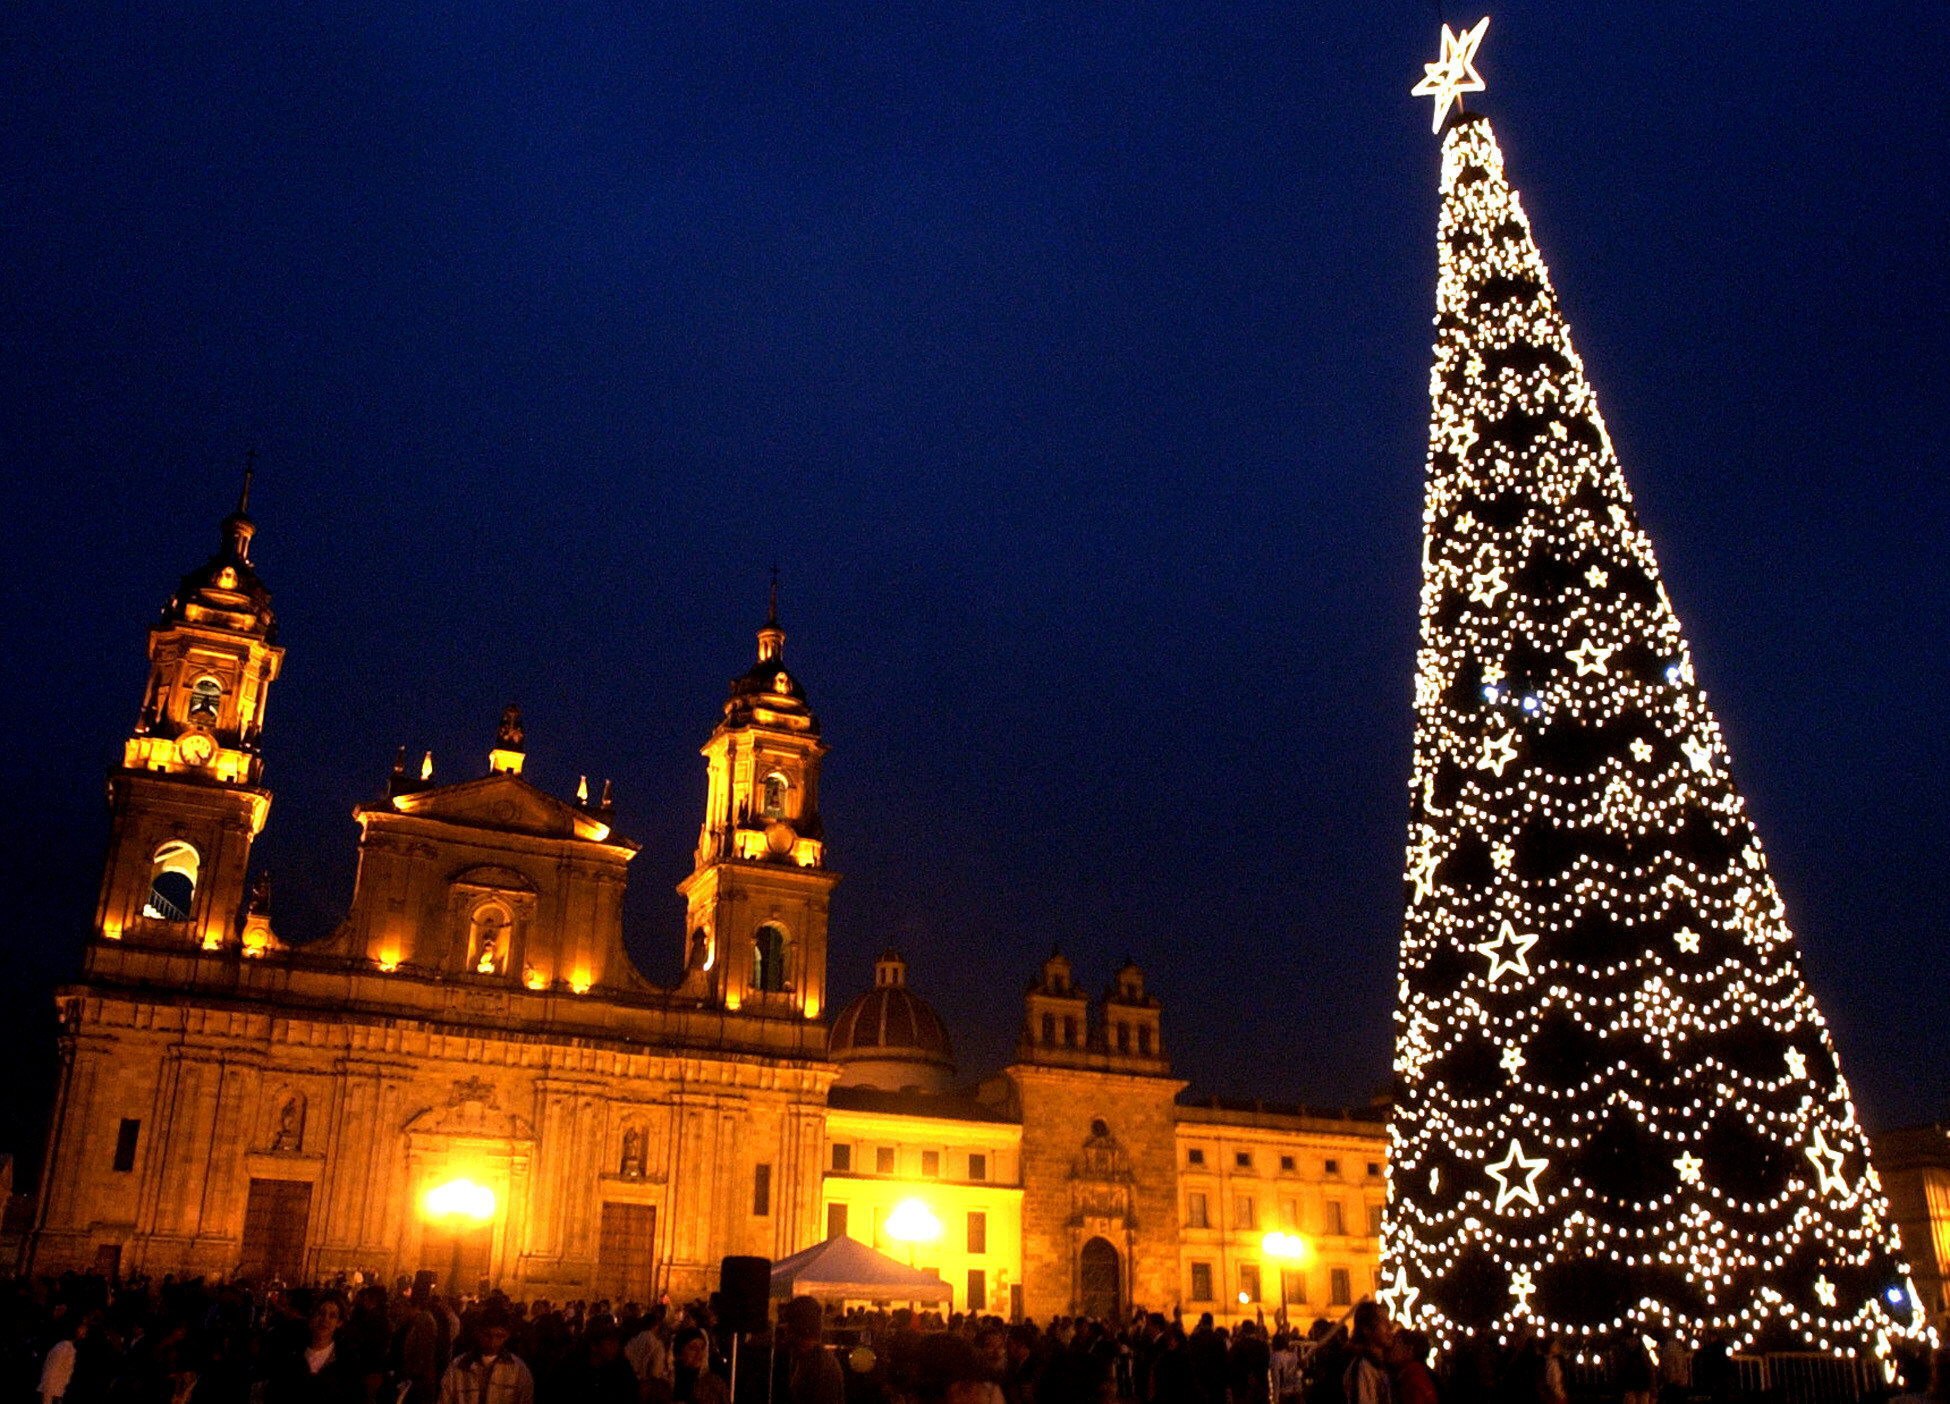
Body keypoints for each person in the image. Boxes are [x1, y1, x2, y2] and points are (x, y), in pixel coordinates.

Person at [263, 1291, 362, 1404]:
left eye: (332, 1316)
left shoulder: (346, 1360)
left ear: (339, 1323)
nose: (325, 1319)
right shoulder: (291, 1351)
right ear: (312, 1317)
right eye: (321, 1313)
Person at [437, 1302, 534, 1404]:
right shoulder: (458, 1366)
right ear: (478, 1332)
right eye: (487, 1335)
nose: (493, 1342)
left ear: (507, 1336)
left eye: (499, 1336)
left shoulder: (518, 1370)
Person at [779, 1298, 844, 1404]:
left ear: (797, 1325)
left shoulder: (820, 1366)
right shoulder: (811, 1358)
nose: (783, 1327)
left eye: (786, 1322)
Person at [1339, 1304, 1392, 1404]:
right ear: (1366, 1329)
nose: (1390, 1326)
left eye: (1388, 1321)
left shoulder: (1382, 1364)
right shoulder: (1362, 1367)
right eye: (1383, 1322)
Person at [673, 1327, 729, 1404]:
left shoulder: (713, 1384)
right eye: (693, 1348)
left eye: (702, 1348)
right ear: (679, 1352)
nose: (699, 1353)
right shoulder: (668, 1384)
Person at [1385, 1331, 1434, 1404]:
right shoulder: (1418, 1375)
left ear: (1408, 1350)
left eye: (1395, 1344)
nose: (1390, 1348)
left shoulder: (1413, 1378)